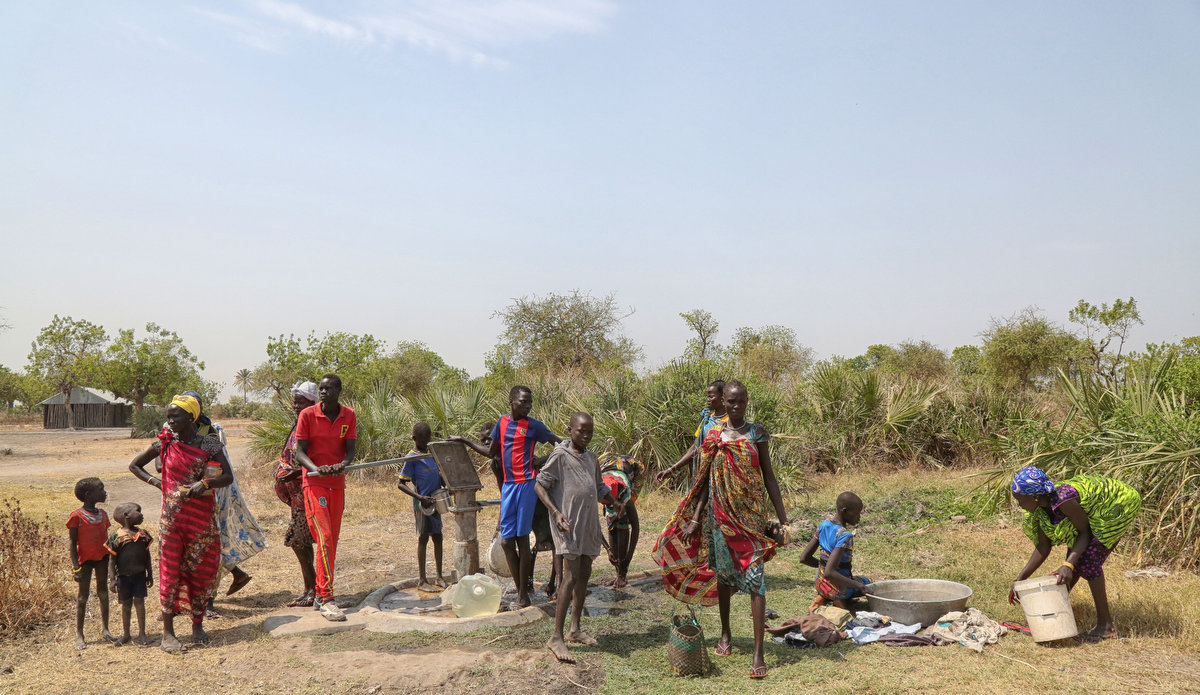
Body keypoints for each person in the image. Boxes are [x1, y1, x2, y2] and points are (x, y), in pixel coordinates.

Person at [653, 380, 788, 679]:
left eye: (740, 402)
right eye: (730, 402)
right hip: (719, 517)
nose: (735, 407)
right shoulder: (713, 435)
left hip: (751, 520)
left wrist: (783, 519)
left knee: (756, 582)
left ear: (747, 401)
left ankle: (758, 653)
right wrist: (696, 518)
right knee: (725, 578)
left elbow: (770, 477)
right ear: (723, 403)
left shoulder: (757, 433)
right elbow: (704, 482)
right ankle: (725, 634)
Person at [129, 393, 233, 652]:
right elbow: (134, 466)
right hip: (172, 521)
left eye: (175, 416)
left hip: (201, 521)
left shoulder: (209, 445)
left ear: (191, 417)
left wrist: (205, 483)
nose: (170, 421)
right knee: (170, 572)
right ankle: (168, 633)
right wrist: (159, 483)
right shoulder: (164, 443)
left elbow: (228, 476)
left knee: (201, 570)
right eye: (168, 417)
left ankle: (197, 624)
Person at [1008, 466, 1142, 641]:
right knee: (1072, 563)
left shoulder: (1064, 500)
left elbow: (1085, 532)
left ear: (1034, 497)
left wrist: (1069, 565)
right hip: (1092, 511)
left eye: (1019, 499)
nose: (1019, 504)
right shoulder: (1039, 510)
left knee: (1087, 562)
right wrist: (1019, 580)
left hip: (1115, 504)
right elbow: (1043, 546)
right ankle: (1050, 615)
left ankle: (1106, 627)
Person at [535, 412, 622, 664]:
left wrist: (614, 501)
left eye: (590, 432)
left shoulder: (592, 458)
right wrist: (555, 512)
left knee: (584, 573)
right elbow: (540, 485)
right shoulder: (560, 456)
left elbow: (597, 488)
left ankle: (574, 629)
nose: (585, 435)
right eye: (581, 431)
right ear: (570, 429)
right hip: (567, 524)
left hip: (588, 524)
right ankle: (556, 637)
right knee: (570, 576)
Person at [178, 390, 263, 611]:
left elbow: (219, 469)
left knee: (211, 541)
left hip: (211, 493)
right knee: (190, 545)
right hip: (185, 493)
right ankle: (226, 580)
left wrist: (203, 483)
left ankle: (209, 599)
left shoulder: (210, 432)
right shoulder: (172, 431)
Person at [488, 385, 560, 608]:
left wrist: (543, 462)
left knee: (521, 539)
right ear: (511, 401)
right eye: (522, 402)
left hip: (527, 485)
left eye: (529, 402)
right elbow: (492, 451)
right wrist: (463, 441)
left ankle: (523, 596)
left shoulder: (534, 426)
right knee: (507, 542)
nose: (527, 406)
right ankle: (522, 589)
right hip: (509, 487)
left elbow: (558, 444)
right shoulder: (501, 423)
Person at [294, 373, 356, 622]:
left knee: (331, 541)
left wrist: (340, 465)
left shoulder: (348, 415)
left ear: (339, 390)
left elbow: (350, 452)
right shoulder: (307, 415)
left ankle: (321, 593)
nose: (323, 392)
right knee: (324, 536)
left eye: (329, 388)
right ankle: (327, 598)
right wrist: (315, 468)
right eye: (321, 389)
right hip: (314, 483)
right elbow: (299, 452)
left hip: (336, 484)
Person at [274, 381, 319, 607]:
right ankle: (310, 587)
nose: (295, 406)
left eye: (300, 402)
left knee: (300, 541)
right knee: (302, 543)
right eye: (294, 402)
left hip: (308, 493)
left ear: (312, 403)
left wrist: (296, 473)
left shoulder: (313, 425)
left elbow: (317, 460)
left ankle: (314, 589)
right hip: (297, 497)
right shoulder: (299, 423)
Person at [396, 422, 447, 589]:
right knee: (423, 537)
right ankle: (422, 580)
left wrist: (446, 485)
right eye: (423, 439)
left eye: (428, 438)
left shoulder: (432, 453)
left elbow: (438, 475)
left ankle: (439, 576)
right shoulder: (412, 457)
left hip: (436, 501)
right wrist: (419, 497)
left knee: (438, 536)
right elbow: (401, 484)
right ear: (414, 438)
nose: (426, 441)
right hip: (421, 504)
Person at [799, 491, 872, 609]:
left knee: (839, 577)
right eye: (857, 513)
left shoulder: (823, 526)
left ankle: (823, 596)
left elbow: (804, 558)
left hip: (820, 584)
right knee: (867, 582)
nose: (859, 517)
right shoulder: (845, 535)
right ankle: (840, 600)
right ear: (844, 511)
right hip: (838, 588)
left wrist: (823, 565)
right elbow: (830, 573)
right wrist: (859, 586)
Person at [67, 477, 113, 649]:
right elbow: (72, 542)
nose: (104, 492)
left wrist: (111, 562)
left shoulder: (103, 514)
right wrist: (75, 567)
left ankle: (106, 629)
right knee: (82, 597)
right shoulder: (77, 516)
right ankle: (80, 634)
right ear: (88, 495)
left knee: (103, 592)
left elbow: (106, 539)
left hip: (102, 559)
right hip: (84, 561)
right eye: (100, 489)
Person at [656, 380, 727, 483]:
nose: (708, 400)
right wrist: (672, 469)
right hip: (704, 475)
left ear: (722, 398)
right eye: (707, 397)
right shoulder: (706, 420)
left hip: (723, 477)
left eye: (711, 396)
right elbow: (695, 448)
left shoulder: (730, 422)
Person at [106, 502, 154, 646]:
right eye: (138, 511)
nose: (142, 514)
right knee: (126, 605)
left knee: (140, 603)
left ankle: (142, 633)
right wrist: (112, 579)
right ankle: (126, 633)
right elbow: (112, 560)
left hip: (139, 575)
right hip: (124, 577)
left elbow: (148, 557)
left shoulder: (143, 535)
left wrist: (150, 574)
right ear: (126, 515)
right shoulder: (116, 537)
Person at [599, 452, 643, 588]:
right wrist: (608, 549)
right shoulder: (593, 489)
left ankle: (622, 575)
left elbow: (635, 528)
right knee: (611, 520)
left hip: (634, 470)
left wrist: (627, 559)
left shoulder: (624, 492)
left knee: (623, 521)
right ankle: (618, 573)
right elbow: (592, 526)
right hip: (606, 471)